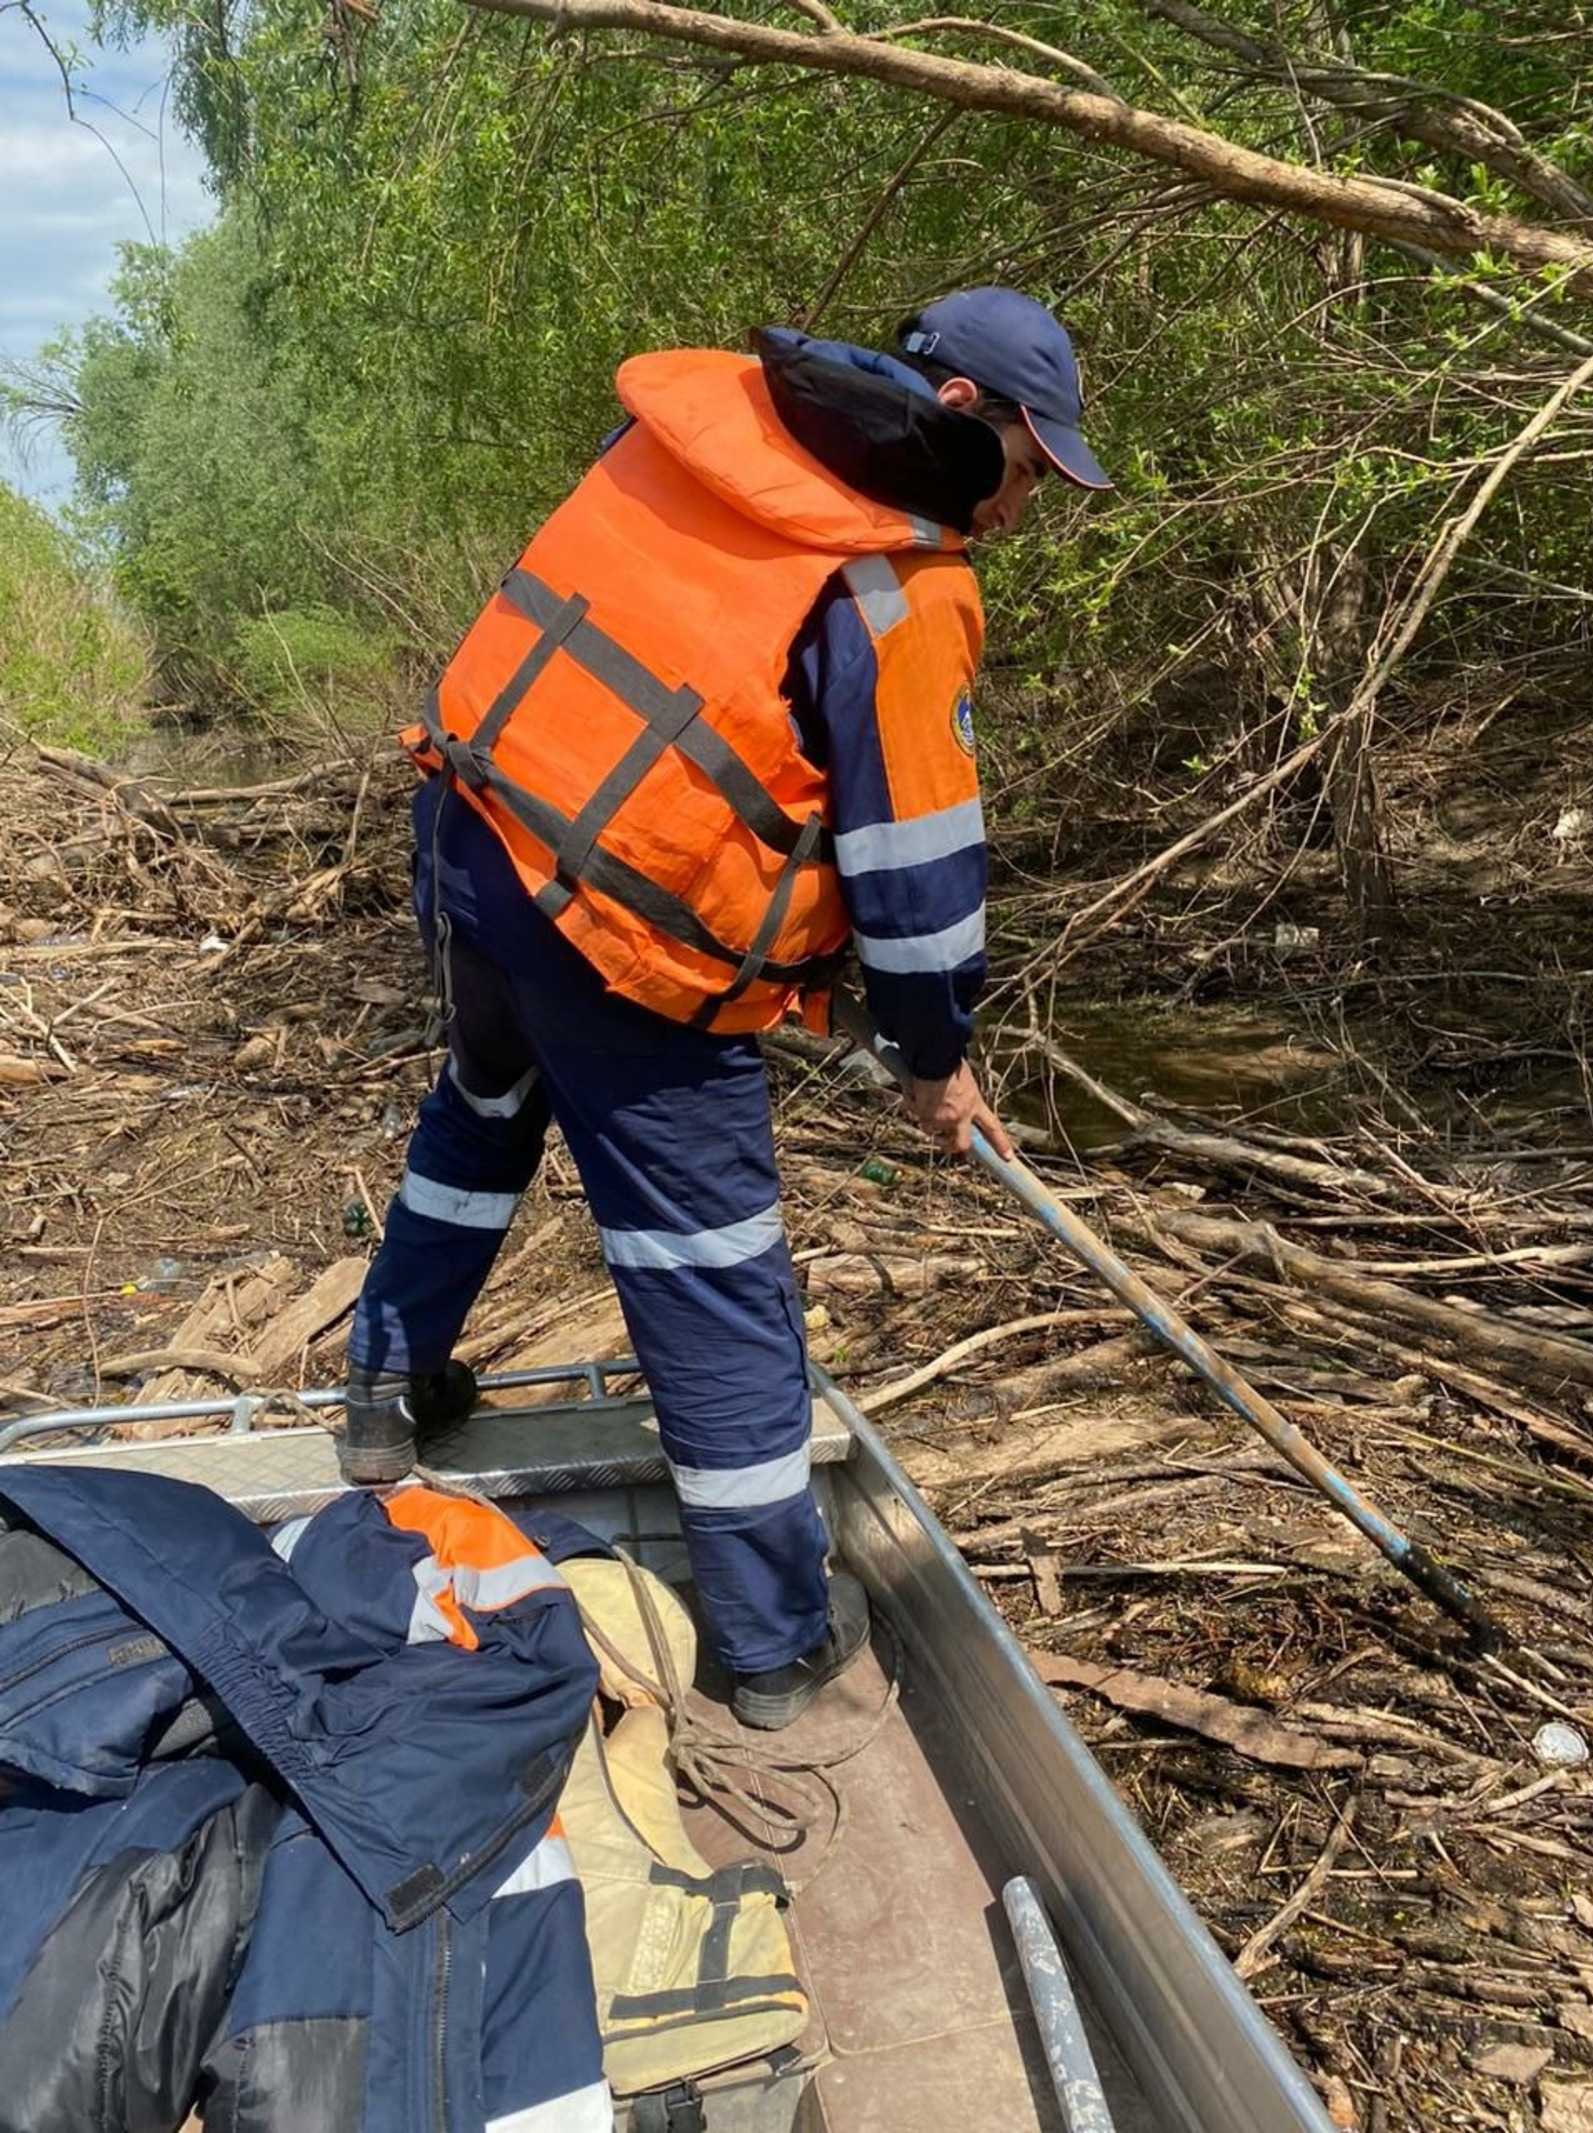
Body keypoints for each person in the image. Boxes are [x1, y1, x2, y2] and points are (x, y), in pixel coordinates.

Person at [341, 287, 1111, 1727]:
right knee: (709, 1260)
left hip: (473, 825)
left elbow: (700, 709)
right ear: (962, 417)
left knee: (485, 1102)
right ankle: (773, 1640)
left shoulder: (720, 432)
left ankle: (385, 1391)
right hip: (612, 919)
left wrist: (826, 994)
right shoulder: (899, 584)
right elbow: (916, 874)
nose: (1024, 506)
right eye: (1027, 466)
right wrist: (933, 1055)